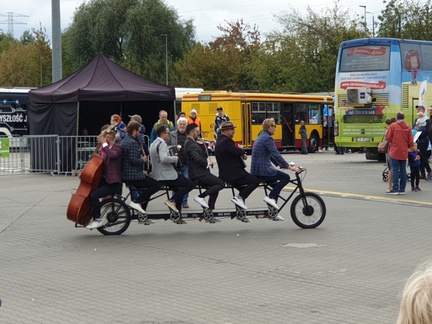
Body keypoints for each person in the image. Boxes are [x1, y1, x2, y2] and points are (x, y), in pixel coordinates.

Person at [251, 118, 300, 221]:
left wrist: (279, 165)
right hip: (263, 170)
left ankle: (273, 212)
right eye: (274, 126)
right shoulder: (267, 138)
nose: (275, 128)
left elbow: (270, 155)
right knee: (285, 178)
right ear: (269, 127)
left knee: (274, 185)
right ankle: (270, 198)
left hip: (257, 170)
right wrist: (288, 166)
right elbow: (275, 153)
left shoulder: (261, 136)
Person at [149, 125, 195, 224]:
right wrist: (175, 158)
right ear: (163, 134)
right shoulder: (162, 144)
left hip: (158, 174)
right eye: (167, 132)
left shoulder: (153, 143)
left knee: (178, 190)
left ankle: (176, 215)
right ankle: (172, 200)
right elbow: (163, 158)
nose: (169, 134)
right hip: (166, 174)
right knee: (190, 185)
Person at [214, 121, 260, 214]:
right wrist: (241, 150)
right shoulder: (226, 141)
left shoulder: (220, 140)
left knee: (243, 190)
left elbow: (231, 152)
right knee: (255, 181)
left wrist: (240, 152)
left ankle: (240, 211)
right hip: (233, 173)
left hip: (226, 174)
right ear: (226, 131)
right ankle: (238, 198)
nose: (234, 131)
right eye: (232, 130)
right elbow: (236, 151)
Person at [184, 123, 224, 222]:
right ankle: (200, 197)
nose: (198, 133)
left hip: (201, 172)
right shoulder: (189, 143)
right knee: (220, 183)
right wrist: (207, 163)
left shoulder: (193, 142)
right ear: (192, 131)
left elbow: (201, 155)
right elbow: (197, 158)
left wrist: (209, 148)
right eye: (197, 131)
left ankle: (209, 212)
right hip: (198, 173)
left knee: (214, 189)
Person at [120, 121, 161, 215]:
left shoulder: (125, 140)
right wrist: (143, 160)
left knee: (145, 191)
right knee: (156, 185)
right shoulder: (133, 143)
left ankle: (142, 212)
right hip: (133, 175)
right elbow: (132, 160)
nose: (139, 133)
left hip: (126, 173)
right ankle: (136, 202)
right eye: (138, 131)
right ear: (134, 131)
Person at [86, 126, 123, 229]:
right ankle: (92, 215)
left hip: (113, 182)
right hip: (106, 180)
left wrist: (104, 144)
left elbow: (112, 156)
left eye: (104, 137)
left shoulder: (117, 148)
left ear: (109, 137)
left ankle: (98, 219)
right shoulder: (107, 149)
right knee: (90, 195)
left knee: (94, 196)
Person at [385, 112, 414, 195]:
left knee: (395, 169)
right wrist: (407, 146)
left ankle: (395, 188)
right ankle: (402, 189)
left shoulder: (393, 126)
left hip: (394, 150)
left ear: (396, 118)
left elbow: (388, 137)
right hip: (404, 151)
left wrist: (393, 142)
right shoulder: (408, 126)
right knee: (403, 170)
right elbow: (410, 141)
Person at [167, 117, 190, 208]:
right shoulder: (171, 134)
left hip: (186, 163)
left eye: (184, 124)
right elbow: (166, 146)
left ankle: (184, 201)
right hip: (175, 163)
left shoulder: (189, 135)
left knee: (186, 182)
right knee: (175, 182)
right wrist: (174, 147)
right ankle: (175, 200)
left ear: (186, 126)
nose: (182, 126)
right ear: (177, 125)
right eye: (181, 124)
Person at [413, 111, 432, 181]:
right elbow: (414, 128)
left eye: (419, 116)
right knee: (419, 156)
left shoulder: (427, 121)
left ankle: (429, 170)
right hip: (418, 141)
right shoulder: (417, 121)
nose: (418, 117)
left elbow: (426, 131)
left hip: (424, 141)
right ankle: (422, 173)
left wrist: (419, 129)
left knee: (422, 156)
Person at [384, 117, 396, 193]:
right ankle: (392, 186)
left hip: (389, 151)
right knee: (393, 169)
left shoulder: (387, 130)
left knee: (391, 169)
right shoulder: (391, 130)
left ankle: (390, 186)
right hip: (392, 151)